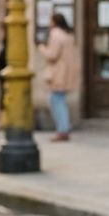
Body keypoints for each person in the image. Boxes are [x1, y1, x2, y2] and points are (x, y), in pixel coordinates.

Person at [39, 12, 77, 141]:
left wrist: (42, 48)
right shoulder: (68, 35)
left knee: (56, 101)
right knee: (59, 101)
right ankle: (64, 128)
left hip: (58, 72)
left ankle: (63, 129)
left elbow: (52, 55)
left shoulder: (55, 35)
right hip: (66, 72)